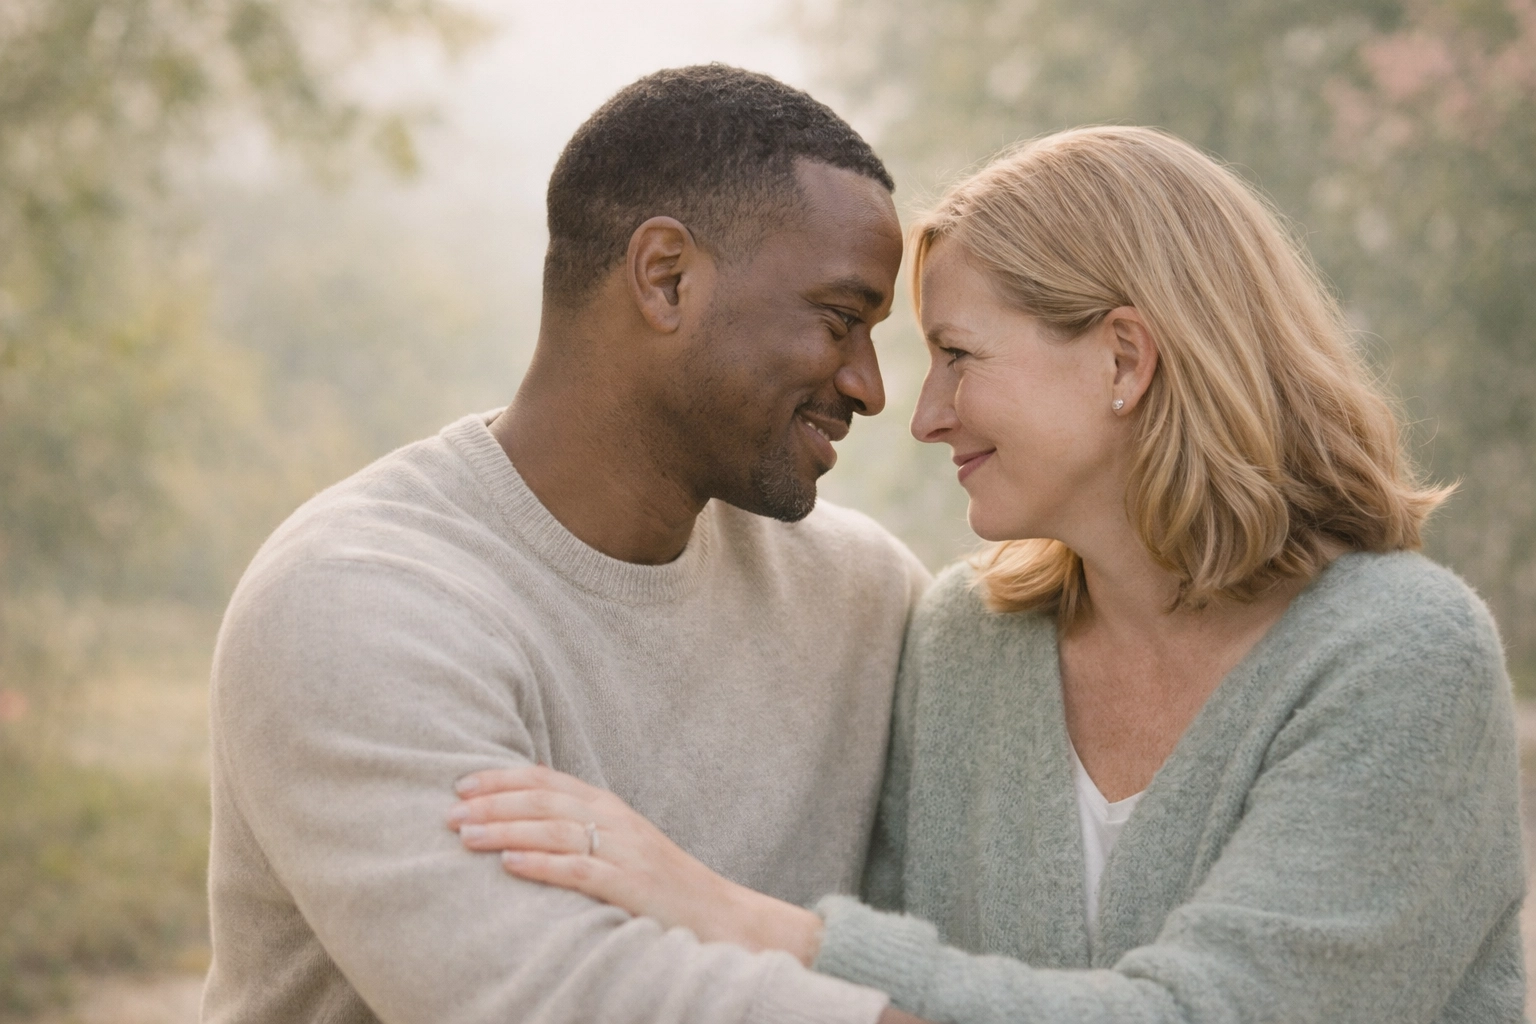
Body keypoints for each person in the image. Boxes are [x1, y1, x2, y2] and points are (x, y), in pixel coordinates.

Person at [447, 126, 1527, 1023]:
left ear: (1123, 359)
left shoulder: (1399, 658)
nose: (923, 415)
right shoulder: (968, 638)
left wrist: (746, 920)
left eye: (958, 356)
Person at [202, 65, 933, 1024]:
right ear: (665, 278)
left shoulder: (867, 594)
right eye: (839, 321)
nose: (871, 388)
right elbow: (544, 995)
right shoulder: (354, 603)